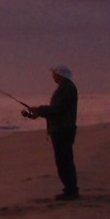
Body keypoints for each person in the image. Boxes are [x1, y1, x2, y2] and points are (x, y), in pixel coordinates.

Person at [24, 66, 79, 200]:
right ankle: (70, 190)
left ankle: (71, 191)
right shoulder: (66, 87)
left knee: (63, 161)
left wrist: (39, 109)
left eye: (54, 74)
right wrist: (37, 113)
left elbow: (58, 110)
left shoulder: (66, 89)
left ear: (60, 75)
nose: (52, 76)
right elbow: (57, 111)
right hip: (62, 129)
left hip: (62, 131)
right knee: (64, 161)